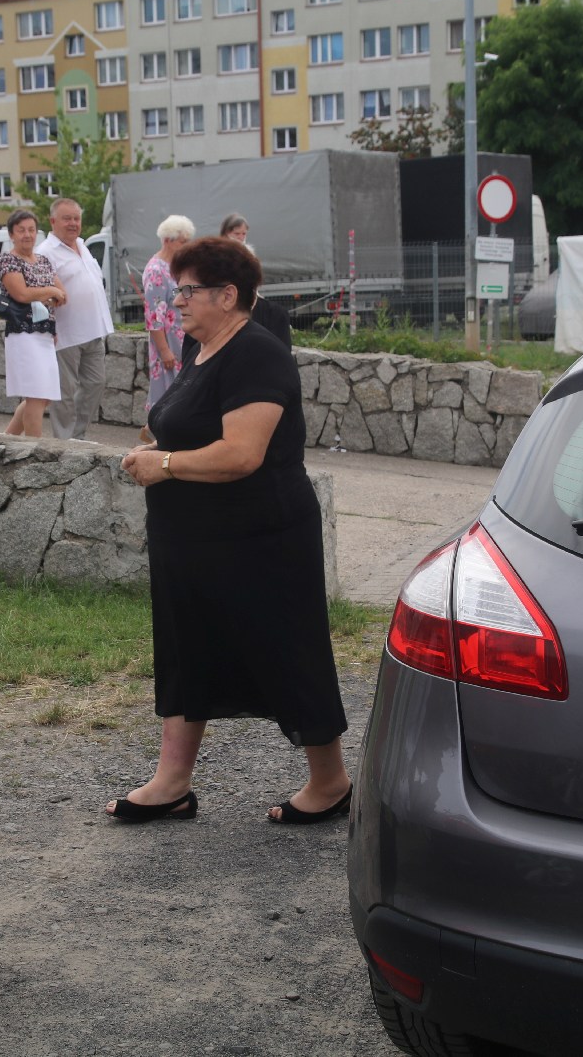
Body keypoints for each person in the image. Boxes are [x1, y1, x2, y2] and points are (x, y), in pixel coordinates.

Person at [114, 238, 350, 826]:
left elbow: (243, 453)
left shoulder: (257, 353)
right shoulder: (199, 348)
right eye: (176, 289)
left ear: (227, 295)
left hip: (261, 540)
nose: (176, 301)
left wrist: (166, 464)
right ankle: (172, 783)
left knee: (288, 652)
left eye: (188, 290)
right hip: (195, 542)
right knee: (186, 649)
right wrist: (156, 446)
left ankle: (330, 783)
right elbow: (191, 425)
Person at [36, 197, 112, 439]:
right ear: (53, 221)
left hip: (93, 329)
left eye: (76, 218)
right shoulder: (45, 252)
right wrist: (47, 327)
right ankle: (64, 441)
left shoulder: (82, 245)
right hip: (65, 332)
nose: (73, 223)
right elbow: (40, 296)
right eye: (66, 218)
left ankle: (76, 436)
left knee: (96, 383)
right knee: (65, 392)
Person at [0, 209, 65, 438]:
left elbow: (63, 296)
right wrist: (49, 291)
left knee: (43, 396)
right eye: (21, 230)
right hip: (23, 333)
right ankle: (34, 447)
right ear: (11, 234)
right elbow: (21, 294)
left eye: (31, 230)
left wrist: (48, 293)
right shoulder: (8, 259)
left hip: (45, 333)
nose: (27, 235)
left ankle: (7, 439)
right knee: (35, 394)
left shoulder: (43, 260)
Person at [143, 215, 194, 409]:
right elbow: (154, 316)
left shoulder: (176, 267)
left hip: (182, 341)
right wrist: (164, 351)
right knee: (168, 397)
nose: (187, 247)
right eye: (182, 242)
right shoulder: (156, 270)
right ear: (167, 240)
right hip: (169, 345)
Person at [219, 214, 291, 347]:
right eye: (237, 234)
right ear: (226, 233)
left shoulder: (248, 253)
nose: (241, 238)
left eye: (243, 234)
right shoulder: (218, 254)